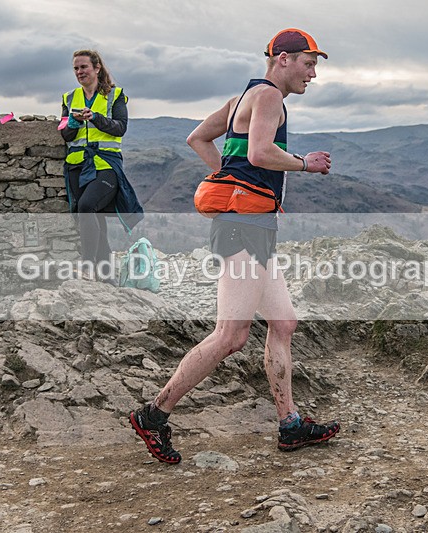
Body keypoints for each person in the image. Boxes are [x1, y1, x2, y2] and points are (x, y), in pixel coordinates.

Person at [130, 28, 340, 464]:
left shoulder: (242, 98)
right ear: (282, 59)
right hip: (242, 229)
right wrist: (305, 164)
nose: (313, 73)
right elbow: (261, 154)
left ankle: (290, 425)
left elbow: (197, 138)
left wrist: (231, 181)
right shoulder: (268, 98)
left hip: (251, 225)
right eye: (309, 62)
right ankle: (154, 415)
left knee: (283, 322)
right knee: (231, 336)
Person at [60, 50, 143, 283]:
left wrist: (95, 117)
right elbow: (66, 135)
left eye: (84, 67)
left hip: (106, 164)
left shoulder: (115, 95)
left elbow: (120, 127)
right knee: (95, 219)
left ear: (97, 68)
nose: (79, 72)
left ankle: (87, 267)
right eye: (76, 68)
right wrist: (74, 123)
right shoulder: (69, 98)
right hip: (77, 164)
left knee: (87, 207)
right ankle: (106, 277)